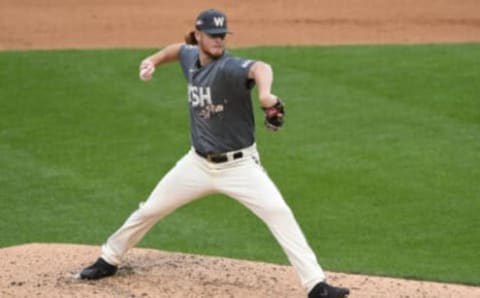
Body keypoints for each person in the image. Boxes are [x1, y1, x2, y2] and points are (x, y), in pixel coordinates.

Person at [79, 9, 350, 298]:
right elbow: (177, 50)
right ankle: (109, 258)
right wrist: (153, 60)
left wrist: (265, 94)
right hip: (196, 165)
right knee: (151, 209)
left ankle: (316, 285)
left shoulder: (230, 67)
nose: (219, 41)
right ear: (198, 36)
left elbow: (260, 67)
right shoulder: (190, 58)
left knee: (278, 213)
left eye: (222, 35)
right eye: (213, 35)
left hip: (240, 167)